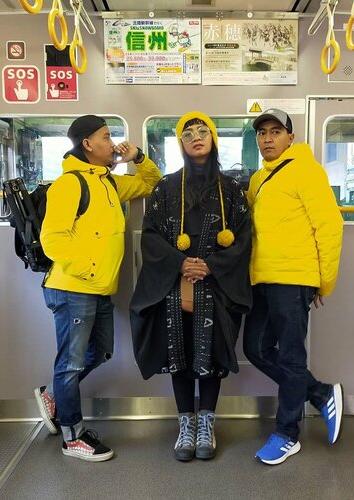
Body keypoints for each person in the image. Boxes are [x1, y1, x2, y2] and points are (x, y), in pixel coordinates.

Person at [34, 115, 161, 462]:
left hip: (97, 289)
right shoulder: (70, 184)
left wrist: (136, 157)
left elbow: (152, 183)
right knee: (71, 363)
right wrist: (91, 271)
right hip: (73, 288)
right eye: (106, 137)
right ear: (88, 144)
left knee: (100, 352)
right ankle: (72, 436)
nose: (111, 142)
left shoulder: (109, 183)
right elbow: (53, 240)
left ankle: (54, 396)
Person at [130, 111, 252, 462]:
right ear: (181, 144)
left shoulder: (232, 190)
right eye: (188, 133)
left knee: (211, 358)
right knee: (179, 357)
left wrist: (211, 265)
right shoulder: (165, 187)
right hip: (173, 287)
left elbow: (243, 239)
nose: (196, 137)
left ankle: (207, 425)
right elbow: (151, 237)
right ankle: (186, 424)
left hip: (216, 288)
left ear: (213, 139)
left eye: (203, 131)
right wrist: (180, 263)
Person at [243, 108, 344, 466]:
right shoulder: (257, 179)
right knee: (255, 348)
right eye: (262, 133)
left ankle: (287, 434)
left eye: (275, 132)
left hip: (295, 279)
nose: (267, 139)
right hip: (263, 279)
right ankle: (319, 392)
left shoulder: (306, 170)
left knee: (290, 356)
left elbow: (329, 227)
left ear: (290, 136)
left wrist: (323, 281)